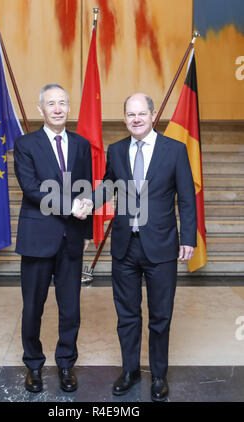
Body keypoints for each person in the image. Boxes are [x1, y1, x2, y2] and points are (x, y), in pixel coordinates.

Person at [81, 92, 197, 401]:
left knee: (160, 315)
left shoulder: (175, 150)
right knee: (127, 314)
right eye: (130, 114)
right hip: (124, 247)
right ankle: (130, 370)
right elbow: (107, 185)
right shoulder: (117, 150)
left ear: (152, 114)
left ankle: (158, 374)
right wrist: (87, 202)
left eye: (141, 113)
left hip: (161, 247)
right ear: (124, 118)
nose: (136, 119)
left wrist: (188, 238)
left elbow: (186, 197)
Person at [13, 83, 93, 393]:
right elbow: (31, 188)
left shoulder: (82, 144)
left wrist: (86, 231)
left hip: (72, 239)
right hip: (38, 237)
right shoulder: (25, 144)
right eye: (51, 104)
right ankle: (33, 365)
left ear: (68, 108)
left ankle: (65, 363)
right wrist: (69, 206)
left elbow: (85, 186)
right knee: (33, 307)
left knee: (70, 307)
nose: (57, 108)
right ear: (41, 110)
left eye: (62, 102)